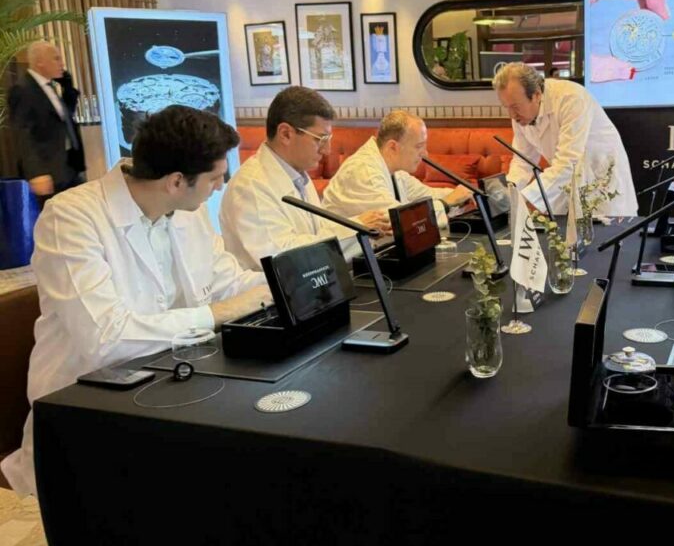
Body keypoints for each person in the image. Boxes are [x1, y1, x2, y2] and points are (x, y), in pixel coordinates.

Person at [0, 106, 272, 495]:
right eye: (215, 178)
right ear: (176, 181)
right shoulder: (71, 217)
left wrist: (283, 284)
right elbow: (107, 339)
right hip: (85, 408)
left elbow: (226, 281)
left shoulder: (186, 210)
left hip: (173, 387)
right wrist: (217, 314)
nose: (221, 186)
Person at [220, 87, 390, 268]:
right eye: (320, 139)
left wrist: (362, 228)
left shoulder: (298, 173)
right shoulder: (250, 187)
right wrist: (356, 229)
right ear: (285, 134)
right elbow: (284, 259)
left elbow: (317, 232)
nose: (327, 150)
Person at [492, 62, 637, 216]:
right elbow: (523, 161)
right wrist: (509, 191)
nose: (512, 115)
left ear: (537, 95)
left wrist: (525, 197)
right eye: (506, 107)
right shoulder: (519, 115)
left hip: (600, 177)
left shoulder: (571, 98)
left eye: (515, 107)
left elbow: (568, 162)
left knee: (607, 227)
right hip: (568, 182)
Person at [322, 110, 472, 228]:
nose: (424, 153)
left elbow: (426, 195)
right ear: (393, 146)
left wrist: (462, 195)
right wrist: (446, 203)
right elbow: (402, 222)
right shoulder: (363, 172)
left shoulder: (395, 168)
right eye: (419, 146)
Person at [7, 41, 85, 200]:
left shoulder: (48, 86)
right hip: (49, 171)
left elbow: (64, 118)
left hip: (69, 166)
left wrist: (68, 87)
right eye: (56, 58)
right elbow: (23, 134)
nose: (62, 63)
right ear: (40, 62)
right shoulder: (23, 89)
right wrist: (37, 172)